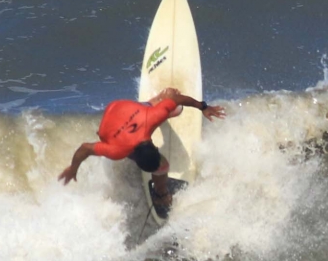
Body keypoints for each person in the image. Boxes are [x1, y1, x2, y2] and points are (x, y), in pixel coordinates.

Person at [58, 88, 226, 215]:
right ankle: (160, 192)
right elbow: (85, 148)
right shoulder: (118, 151)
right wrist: (73, 169)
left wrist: (203, 106)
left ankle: (160, 97)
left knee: (176, 108)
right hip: (113, 120)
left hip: (123, 108)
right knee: (162, 167)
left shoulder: (152, 117)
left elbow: (175, 99)